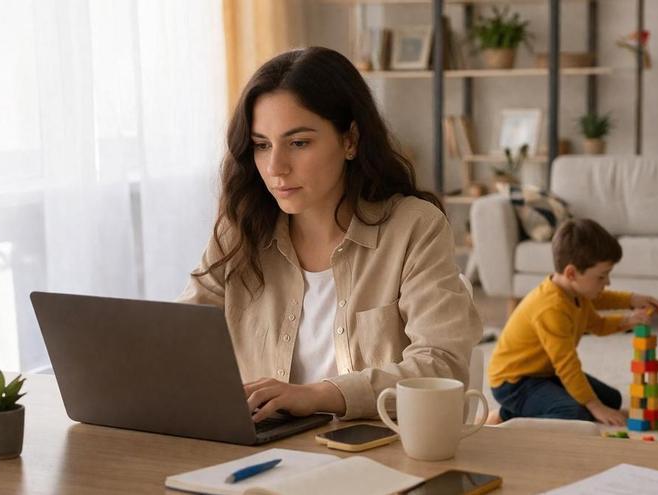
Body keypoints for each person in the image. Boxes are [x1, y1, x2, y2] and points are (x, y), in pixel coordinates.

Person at [177, 47, 482, 421]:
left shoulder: (414, 227)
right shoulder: (241, 229)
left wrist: (320, 395)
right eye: (261, 145)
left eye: (299, 143)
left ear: (350, 140)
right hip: (265, 454)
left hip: (378, 456)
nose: (275, 167)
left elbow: (442, 365)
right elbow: (181, 334)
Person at [487, 218, 658, 426]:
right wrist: (594, 406)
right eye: (601, 277)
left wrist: (631, 305)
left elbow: (598, 321)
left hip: (543, 373)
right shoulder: (551, 308)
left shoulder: (576, 292)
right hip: (514, 383)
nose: (607, 282)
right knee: (574, 413)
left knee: (612, 399)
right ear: (571, 273)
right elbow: (567, 366)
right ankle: (507, 415)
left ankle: (538, 404)